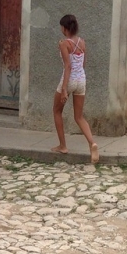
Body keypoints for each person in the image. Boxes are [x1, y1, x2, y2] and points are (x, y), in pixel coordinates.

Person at [51, 13, 99, 163]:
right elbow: (82, 64)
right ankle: (92, 143)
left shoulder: (64, 43)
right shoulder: (82, 42)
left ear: (65, 28)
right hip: (81, 80)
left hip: (69, 80)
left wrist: (64, 89)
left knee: (57, 111)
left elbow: (68, 66)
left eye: (61, 26)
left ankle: (63, 146)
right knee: (79, 116)